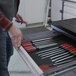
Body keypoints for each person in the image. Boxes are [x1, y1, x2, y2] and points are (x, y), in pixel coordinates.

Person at [0, 0, 23, 76]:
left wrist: (12, 11)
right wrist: (10, 27)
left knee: (9, 52)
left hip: (3, 22)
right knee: (2, 69)